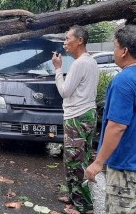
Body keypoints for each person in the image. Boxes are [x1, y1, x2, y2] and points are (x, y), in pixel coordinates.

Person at [85, 25, 136, 213]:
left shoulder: (124, 81)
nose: (114, 51)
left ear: (124, 51)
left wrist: (98, 162)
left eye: (115, 46)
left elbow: (116, 126)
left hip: (127, 165)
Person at [51, 25, 99, 214]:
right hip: (87, 113)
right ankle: (74, 196)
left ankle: (83, 207)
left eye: (67, 38)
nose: (64, 42)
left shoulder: (79, 64)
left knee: (74, 160)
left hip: (77, 116)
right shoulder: (90, 61)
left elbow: (65, 92)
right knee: (80, 157)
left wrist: (58, 69)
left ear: (80, 40)